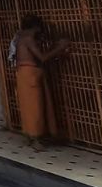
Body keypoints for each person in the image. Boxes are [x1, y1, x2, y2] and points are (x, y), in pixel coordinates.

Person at [10, 14, 70, 146]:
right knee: (35, 106)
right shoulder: (28, 38)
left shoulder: (19, 37)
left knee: (28, 105)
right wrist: (60, 48)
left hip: (24, 73)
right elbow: (42, 58)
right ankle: (36, 137)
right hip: (30, 73)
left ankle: (30, 136)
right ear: (36, 27)